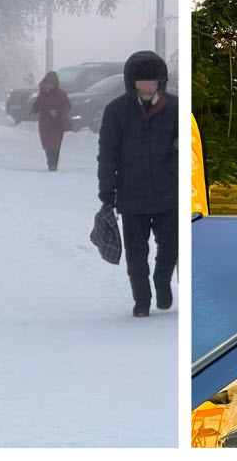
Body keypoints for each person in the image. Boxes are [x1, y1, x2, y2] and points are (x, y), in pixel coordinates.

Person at [97, 50, 178, 318]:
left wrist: (175, 169)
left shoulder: (175, 108)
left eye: (151, 80)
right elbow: (107, 153)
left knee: (170, 246)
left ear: (160, 82)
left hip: (169, 193)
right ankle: (141, 299)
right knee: (136, 252)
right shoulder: (116, 111)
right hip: (131, 194)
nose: (146, 86)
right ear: (131, 82)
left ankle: (162, 280)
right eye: (141, 81)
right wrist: (107, 190)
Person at [30, 71, 70, 172]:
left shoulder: (61, 94)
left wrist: (57, 112)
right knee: (47, 143)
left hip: (57, 123)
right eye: (47, 83)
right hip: (45, 123)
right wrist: (34, 108)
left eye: (51, 83)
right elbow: (37, 106)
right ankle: (50, 162)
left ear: (55, 84)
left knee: (55, 143)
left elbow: (67, 107)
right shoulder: (42, 94)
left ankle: (53, 164)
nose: (48, 86)